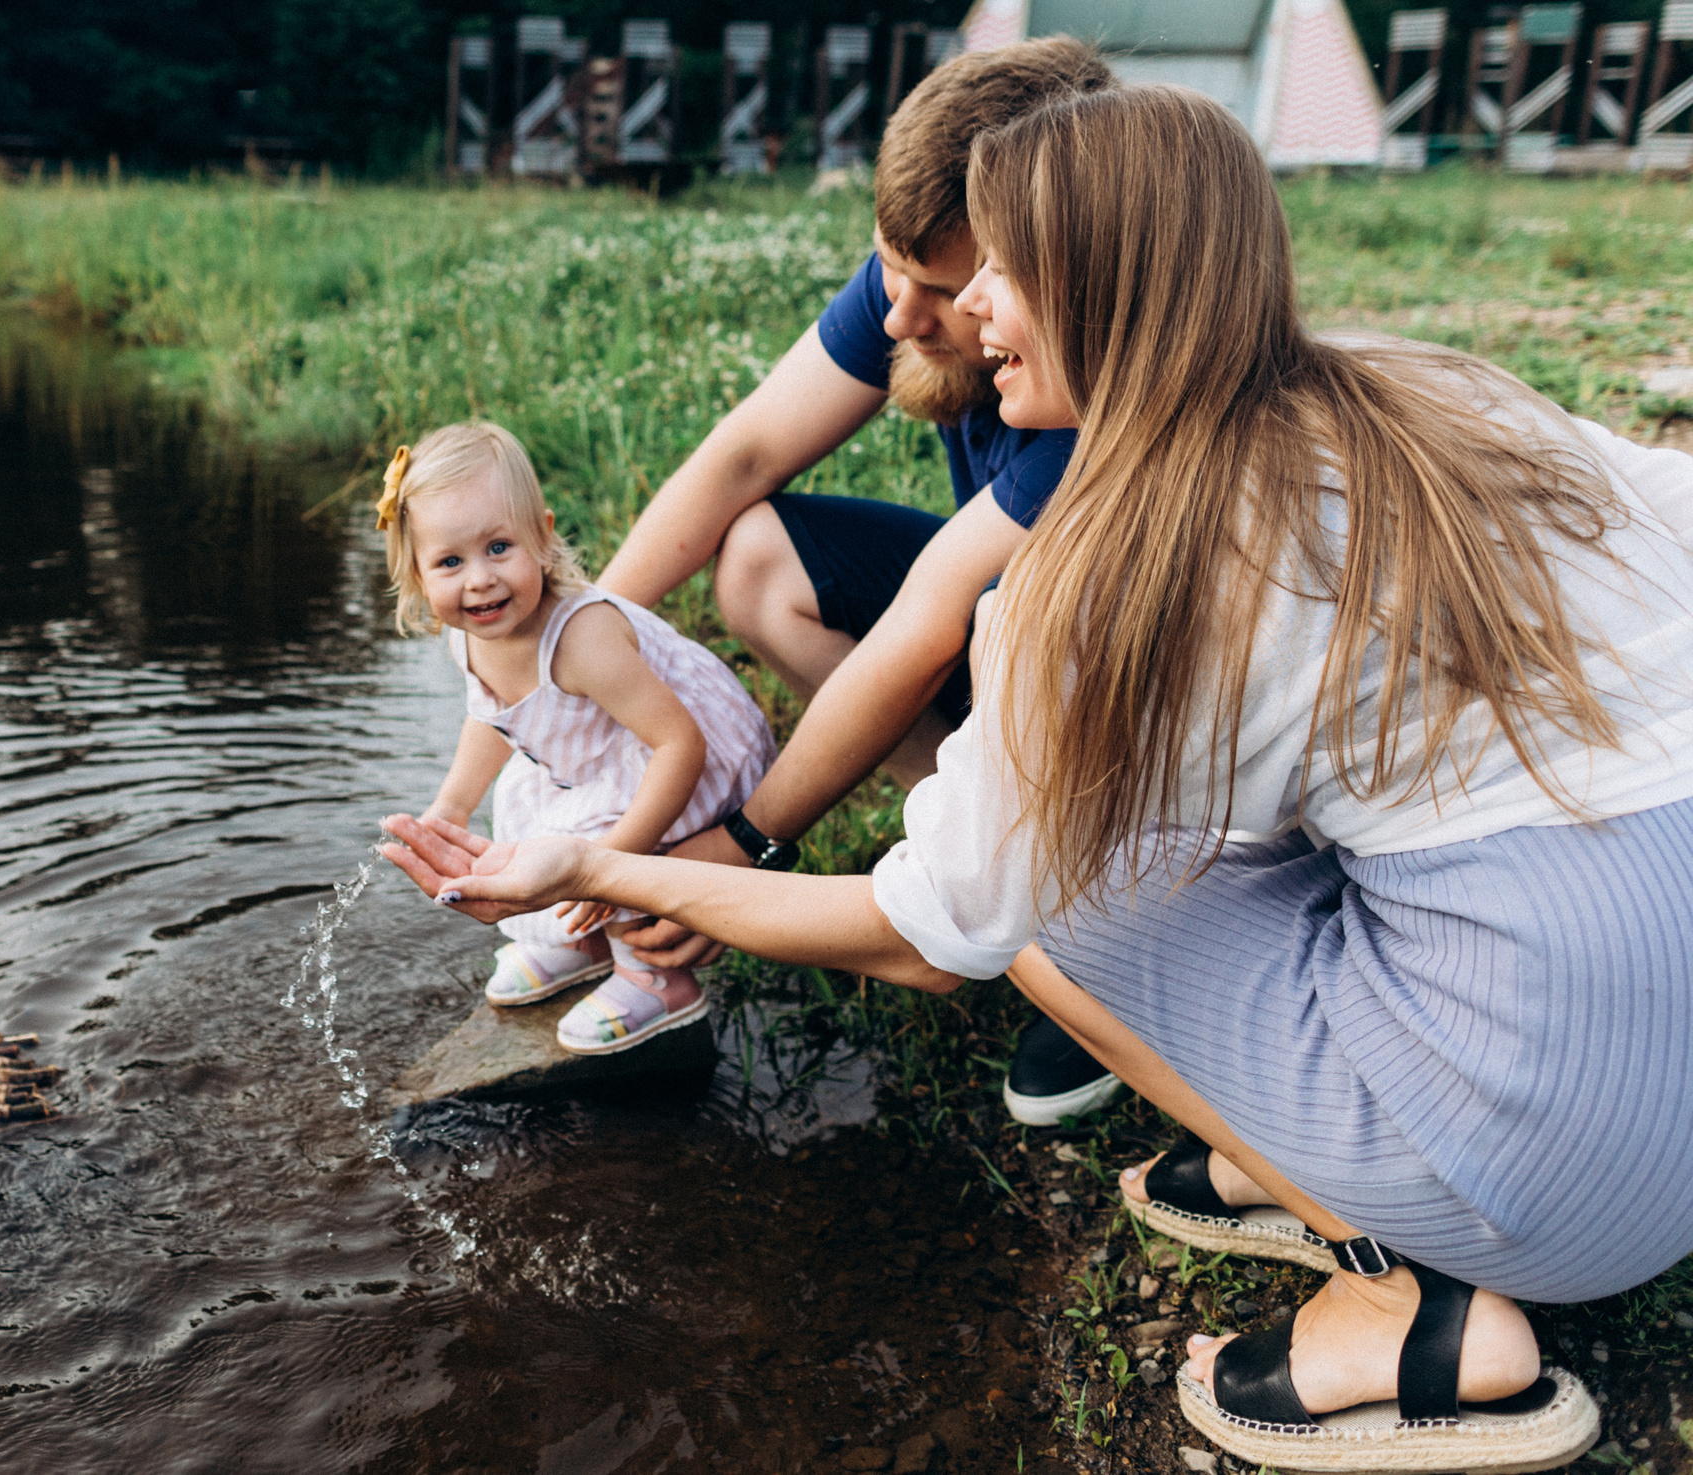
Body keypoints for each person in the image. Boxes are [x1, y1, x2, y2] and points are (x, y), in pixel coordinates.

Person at [383, 84, 1693, 1471]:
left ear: (1102, 287)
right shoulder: (1438, 388)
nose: (967, 308)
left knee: (1055, 894)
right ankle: (1294, 1142)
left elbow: (928, 932)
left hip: (1568, 1184)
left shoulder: (1111, 568)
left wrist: (595, 863)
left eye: (1000, 270)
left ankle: (1412, 1299)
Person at [596, 34, 1119, 1124]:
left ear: (1039, 272)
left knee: (1004, 633)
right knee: (756, 555)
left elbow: (922, 628)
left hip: (1111, 698)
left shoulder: (1101, 402)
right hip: (985, 614)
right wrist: (580, 639)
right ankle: (967, 833)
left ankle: (1085, 929)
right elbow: (743, 454)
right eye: (888, 267)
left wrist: (746, 846)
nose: (894, 319)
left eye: (935, 290)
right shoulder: (924, 280)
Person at [381, 421, 774, 1054]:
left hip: (687, 753)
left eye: (499, 547)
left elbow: (680, 746)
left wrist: (613, 865)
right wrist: (450, 807)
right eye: (450, 562)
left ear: (542, 536)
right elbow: (493, 715)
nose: (479, 579)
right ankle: (583, 939)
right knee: (522, 805)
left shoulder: (581, 637)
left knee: (594, 831)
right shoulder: (470, 635)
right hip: (601, 749)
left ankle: (659, 977)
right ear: (419, 575)